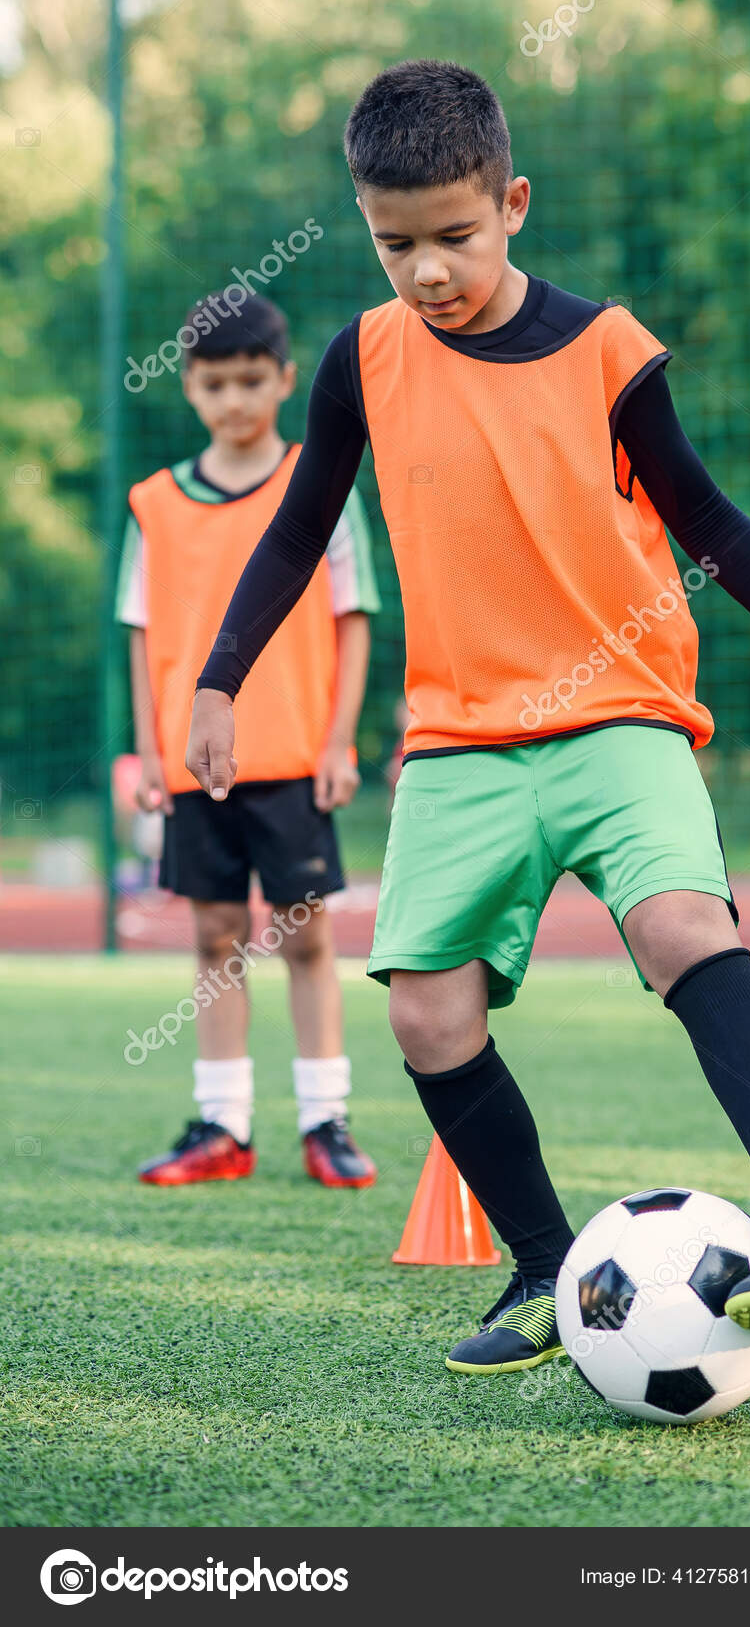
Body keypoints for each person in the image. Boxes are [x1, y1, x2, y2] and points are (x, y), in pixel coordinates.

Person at [186, 61, 750, 1371]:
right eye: (394, 242)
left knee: (682, 925)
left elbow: (707, 517)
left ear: (514, 202)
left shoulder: (606, 350)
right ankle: (542, 1269)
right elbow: (299, 528)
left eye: (454, 237)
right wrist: (217, 676)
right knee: (424, 1013)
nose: (426, 272)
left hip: (620, 717)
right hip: (461, 740)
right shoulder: (359, 361)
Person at [118, 291, 381, 1189]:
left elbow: (353, 619)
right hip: (197, 767)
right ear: (189, 387)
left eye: (250, 380)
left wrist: (339, 741)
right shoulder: (154, 505)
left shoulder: (320, 486)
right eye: (214, 383)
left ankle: (326, 1120)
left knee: (305, 938)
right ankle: (223, 1124)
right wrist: (152, 749)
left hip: (294, 755)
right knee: (215, 936)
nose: (233, 400)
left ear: (284, 380)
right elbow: (143, 631)